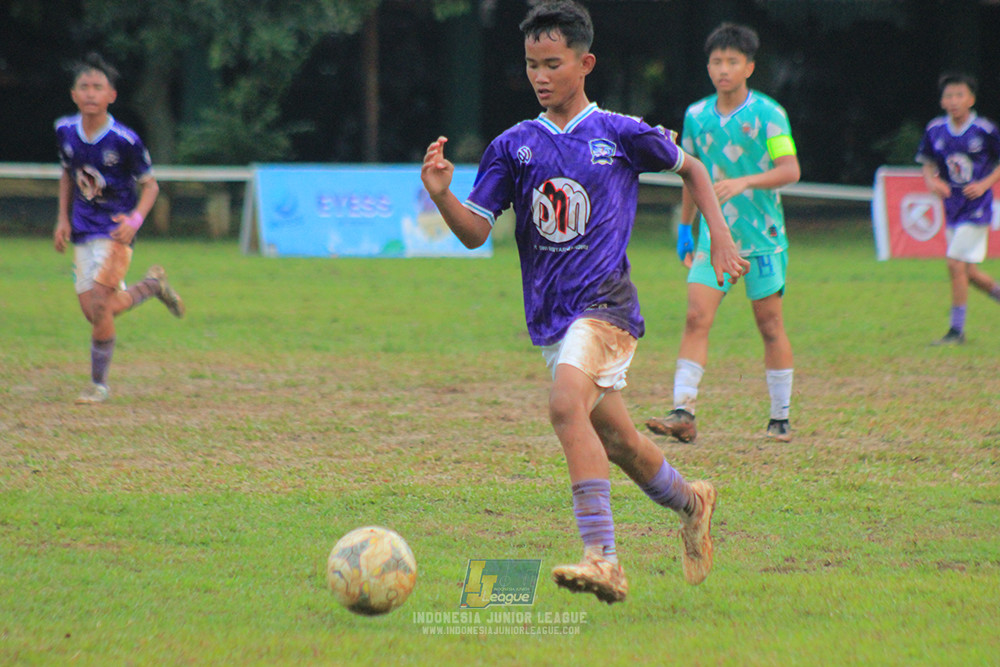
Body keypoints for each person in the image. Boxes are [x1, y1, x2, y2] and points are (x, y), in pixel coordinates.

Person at [420, 1, 748, 604]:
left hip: (606, 306)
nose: (540, 76)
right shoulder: (513, 146)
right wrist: (442, 196)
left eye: (553, 63)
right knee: (620, 443)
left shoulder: (619, 134)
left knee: (565, 404)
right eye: (530, 65)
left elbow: (694, 170)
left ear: (585, 63)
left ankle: (604, 558)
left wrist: (720, 236)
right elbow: (473, 231)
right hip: (551, 319)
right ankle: (692, 500)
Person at [645, 23, 801, 444]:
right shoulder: (696, 116)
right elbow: (690, 174)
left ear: (749, 66)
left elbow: (790, 170)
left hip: (762, 237)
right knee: (696, 317)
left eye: (732, 61)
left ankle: (780, 416)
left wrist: (745, 181)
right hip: (712, 238)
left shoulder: (770, 114)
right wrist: (684, 228)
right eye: (717, 61)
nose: (723, 69)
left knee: (769, 326)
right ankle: (683, 410)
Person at [53, 52, 185, 405]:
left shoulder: (125, 140)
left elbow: (151, 185)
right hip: (82, 229)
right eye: (85, 87)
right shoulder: (65, 132)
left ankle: (99, 385)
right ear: (74, 94)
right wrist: (63, 219)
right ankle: (153, 285)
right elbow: (67, 175)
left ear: (111, 95)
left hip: (116, 231)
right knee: (96, 311)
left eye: (98, 87)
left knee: (100, 305)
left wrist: (135, 220)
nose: (91, 93)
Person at [916, 72, 1000, 346]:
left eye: (959, 95)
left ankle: (956, 332)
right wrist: (931, 181)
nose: (954, 101)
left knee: (954, 264)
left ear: (971, 99)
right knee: (970, 273)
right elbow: (927, 161)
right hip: (952, 207)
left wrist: (985, 184)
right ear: (942, 101)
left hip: (977, 207)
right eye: (948, 96)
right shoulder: (935, 130)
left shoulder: (984, 130)